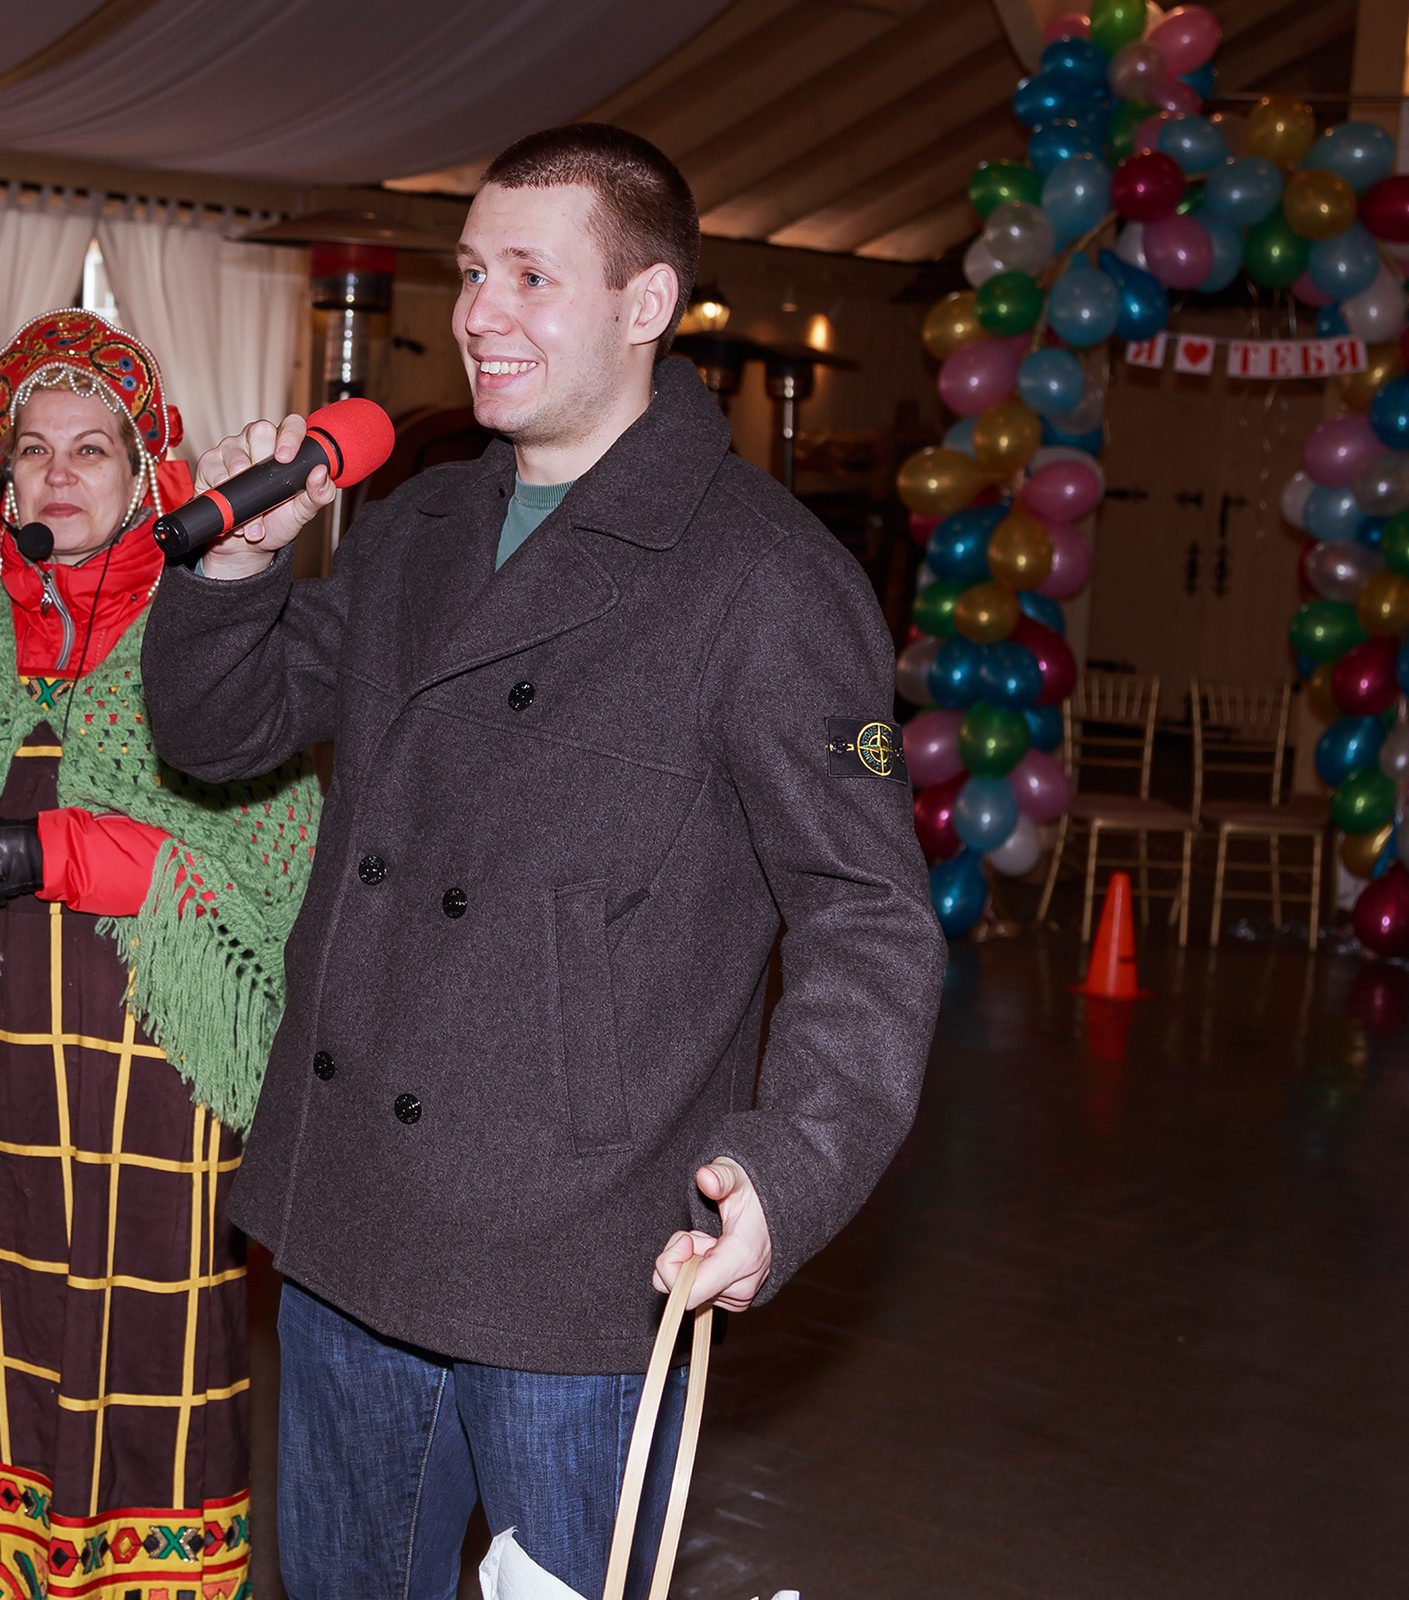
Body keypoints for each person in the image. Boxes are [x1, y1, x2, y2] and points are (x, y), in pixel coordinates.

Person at [140, 125, 946, 1598]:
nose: (477, 315)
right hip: (351, 1221)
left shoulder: (766, 579)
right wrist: (235, 572)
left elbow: (867, 911)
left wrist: (794, 1162)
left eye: (529, 276)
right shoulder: (420, 527)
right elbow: (220, 731)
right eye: (467, 273)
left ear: (647, 305)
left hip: (581, 1255)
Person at [0, 308, 322, 1600]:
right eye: (34, 450)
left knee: (144, 1337)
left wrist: (65, 857)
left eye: (93, 449)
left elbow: (269, 873)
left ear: (152, 473)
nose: (57, 474)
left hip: (153, 1077)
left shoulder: (216, 639)